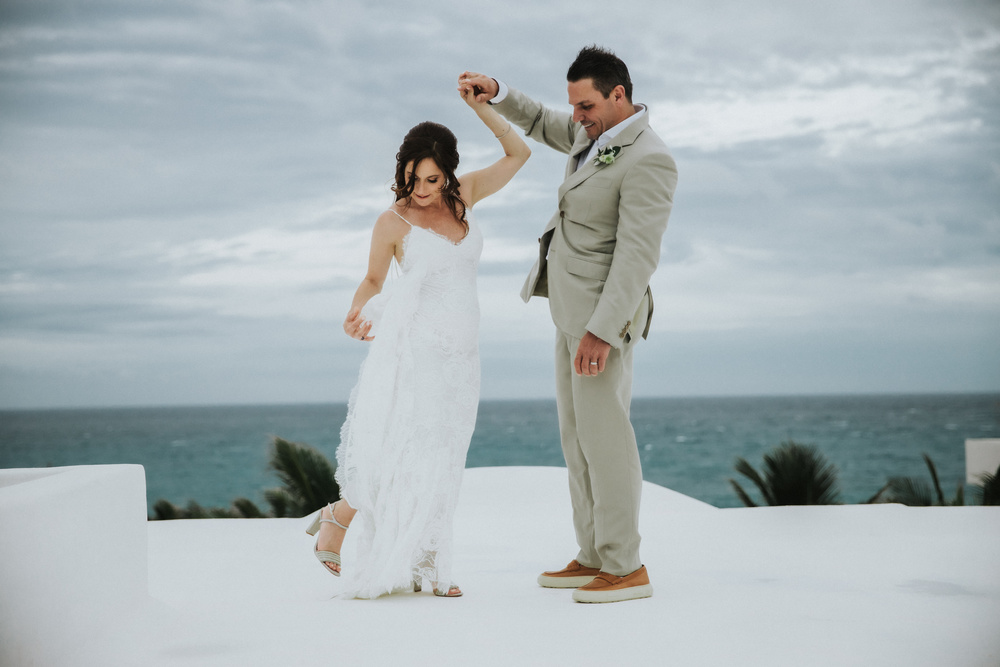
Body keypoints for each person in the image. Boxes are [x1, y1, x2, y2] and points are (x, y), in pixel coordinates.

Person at [458, 46, 678, 603]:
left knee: (607, 442)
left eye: (586, 105)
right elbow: (538, 122)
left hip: (603, 323)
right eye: (574, 107)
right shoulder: (590, 135)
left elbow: (637, 255)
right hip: (567, 309)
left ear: (618, 95)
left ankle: (627, 566)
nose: (577, 116)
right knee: (577, 440)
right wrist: (498, 92)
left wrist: (602, 332)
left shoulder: (649, 158)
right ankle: (594, 555)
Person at [305, 86, 530, 599]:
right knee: (407, 449)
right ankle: (348, 524)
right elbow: (373, 280)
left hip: (464, 356)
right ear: (402, 171)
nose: (423, 188)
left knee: (445, 457)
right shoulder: (393, 221)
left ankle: (423, 562)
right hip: (420, 350)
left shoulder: (464, 196)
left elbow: (519, 154)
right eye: (413, 177)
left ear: (449, 172)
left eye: (433, 178)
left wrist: (481, 109)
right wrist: (356, 310)